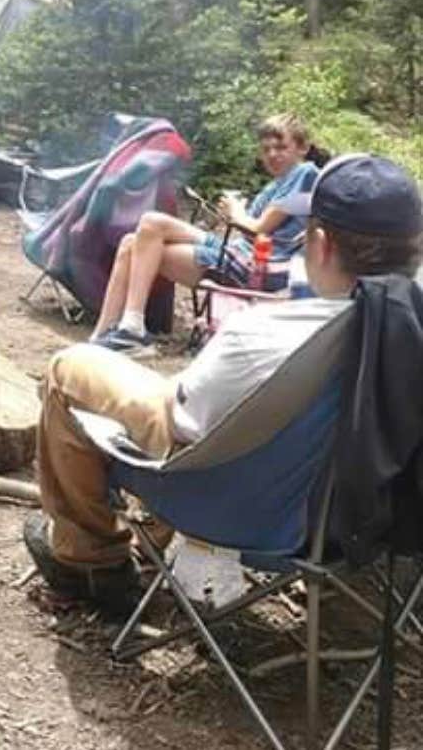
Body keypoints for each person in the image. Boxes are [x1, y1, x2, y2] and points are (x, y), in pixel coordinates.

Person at [23, 153, 423, 617]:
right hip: (366, 522)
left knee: (70, 368)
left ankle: (90, 562)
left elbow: (183, 426)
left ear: (319, 244)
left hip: (246, 517)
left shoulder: (261, 335)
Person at [93, 113, 319, 352]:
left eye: (281, 147)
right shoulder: (275, 184)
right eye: (266, 149)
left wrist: (236, 209)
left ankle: (132, 328)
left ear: (302, 148)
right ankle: (104, 333)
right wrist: (231, 214)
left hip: (259, 267)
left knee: (147, 229)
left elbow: (258, 228)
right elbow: (246, 231)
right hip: (237, 251)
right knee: (134, 239)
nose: (273, 154)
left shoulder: (305, 174)